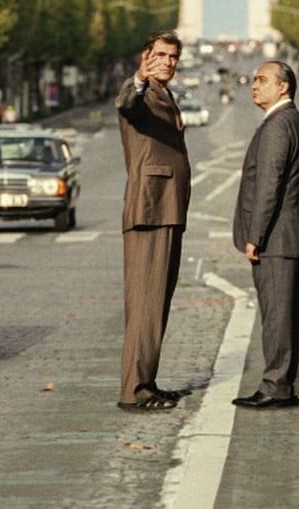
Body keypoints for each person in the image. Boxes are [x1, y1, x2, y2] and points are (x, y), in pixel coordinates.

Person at [115, 30, 192, 411]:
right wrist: (139, 80)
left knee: (155, 302)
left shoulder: (165, 93)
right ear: (145, 58)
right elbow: (128, 104)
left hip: (166, 208)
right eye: (160, 55)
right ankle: (135, 390)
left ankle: (146, 380)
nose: (168, 62)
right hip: (151, 208)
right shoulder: (141, 92)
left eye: (173, 56)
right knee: (146, 303)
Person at [231, 60, 299, 409]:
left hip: (276, 237)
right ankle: (293, 384)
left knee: (277, 315)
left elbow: (269, 185)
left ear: (284, 87)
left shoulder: (277, 126)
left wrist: (256, 236)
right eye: (254, 80)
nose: (254, 85)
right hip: (292, 233)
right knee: (292, 315)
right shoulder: (297, 121)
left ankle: (275, 386)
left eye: (263, 80)